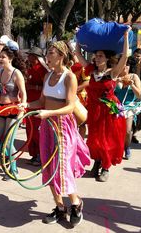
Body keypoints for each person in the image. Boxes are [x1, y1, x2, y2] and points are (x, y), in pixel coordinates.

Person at [27, 41, 90, 227]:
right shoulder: (47, 76)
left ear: (61, 55)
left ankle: (76, 204)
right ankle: (60, 208)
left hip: (63, 126)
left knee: (62, 168)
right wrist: (26, 105)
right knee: (48, 167)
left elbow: (70, 106)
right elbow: (41, 101)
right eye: (47, 52)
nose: (47, 55)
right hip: (47, 126)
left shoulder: (70, 77)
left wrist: (49, 113)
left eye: (51, 52)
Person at [75, 29, 129, 182]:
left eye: (100, 56)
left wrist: (125, 38)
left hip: (108, 111)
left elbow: (124, 57)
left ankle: (105, 167)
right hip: (94, 109)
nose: (96, 58)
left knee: (106, 140)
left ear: (107, 58)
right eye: (96, 56)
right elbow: (78, 54)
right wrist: (78, 37)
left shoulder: (112, 73)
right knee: (94, 139)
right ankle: (97, 163)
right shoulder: (91, 71)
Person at [0, 40, 27, 180]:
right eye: (0, 56)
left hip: (13, 110)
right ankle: (8, 157)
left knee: (9, 141)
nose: (0, 59)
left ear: (10, 58)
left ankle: (14, 169)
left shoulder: (16, 74)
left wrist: (22, 110)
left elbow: (23, 93)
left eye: (3, 57)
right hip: (0, 109)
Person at [24, 46, 48, 166]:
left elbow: (45, 87)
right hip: (30, 103)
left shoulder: (42, 70)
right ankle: (34, 154)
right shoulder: (30, 68)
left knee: (37, 130)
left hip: (38, 103)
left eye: (30, 55)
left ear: (36, 57)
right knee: (30, 129)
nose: (28, 57)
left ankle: (40, 154)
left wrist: (33, 87)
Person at [114, 58, 141, 160]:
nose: (125, 67)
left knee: (127, 131)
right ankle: (117, 148)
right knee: (115, 131)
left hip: (128, 107)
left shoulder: (134, 77)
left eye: (127, 65)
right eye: (123, 64)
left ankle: (127, 147)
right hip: (115, 107)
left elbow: (139, 95)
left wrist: (132, 84)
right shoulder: (115, 76)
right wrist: (116, 82)